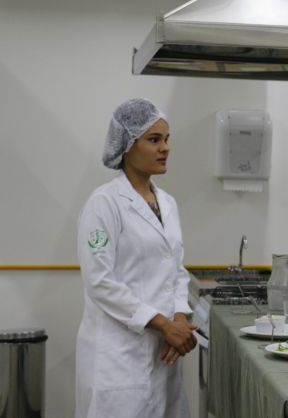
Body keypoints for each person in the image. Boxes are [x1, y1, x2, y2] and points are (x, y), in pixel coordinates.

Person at [75, 98, 197, 418]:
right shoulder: (104, 204)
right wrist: (163, 325)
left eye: (166, 139)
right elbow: (100, 282)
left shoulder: (167, 204)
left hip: (163, 353)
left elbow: (177, 271)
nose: (165, 148)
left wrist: (179, 320)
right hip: (120, 356)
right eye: (154, 140)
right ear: (127, 146)